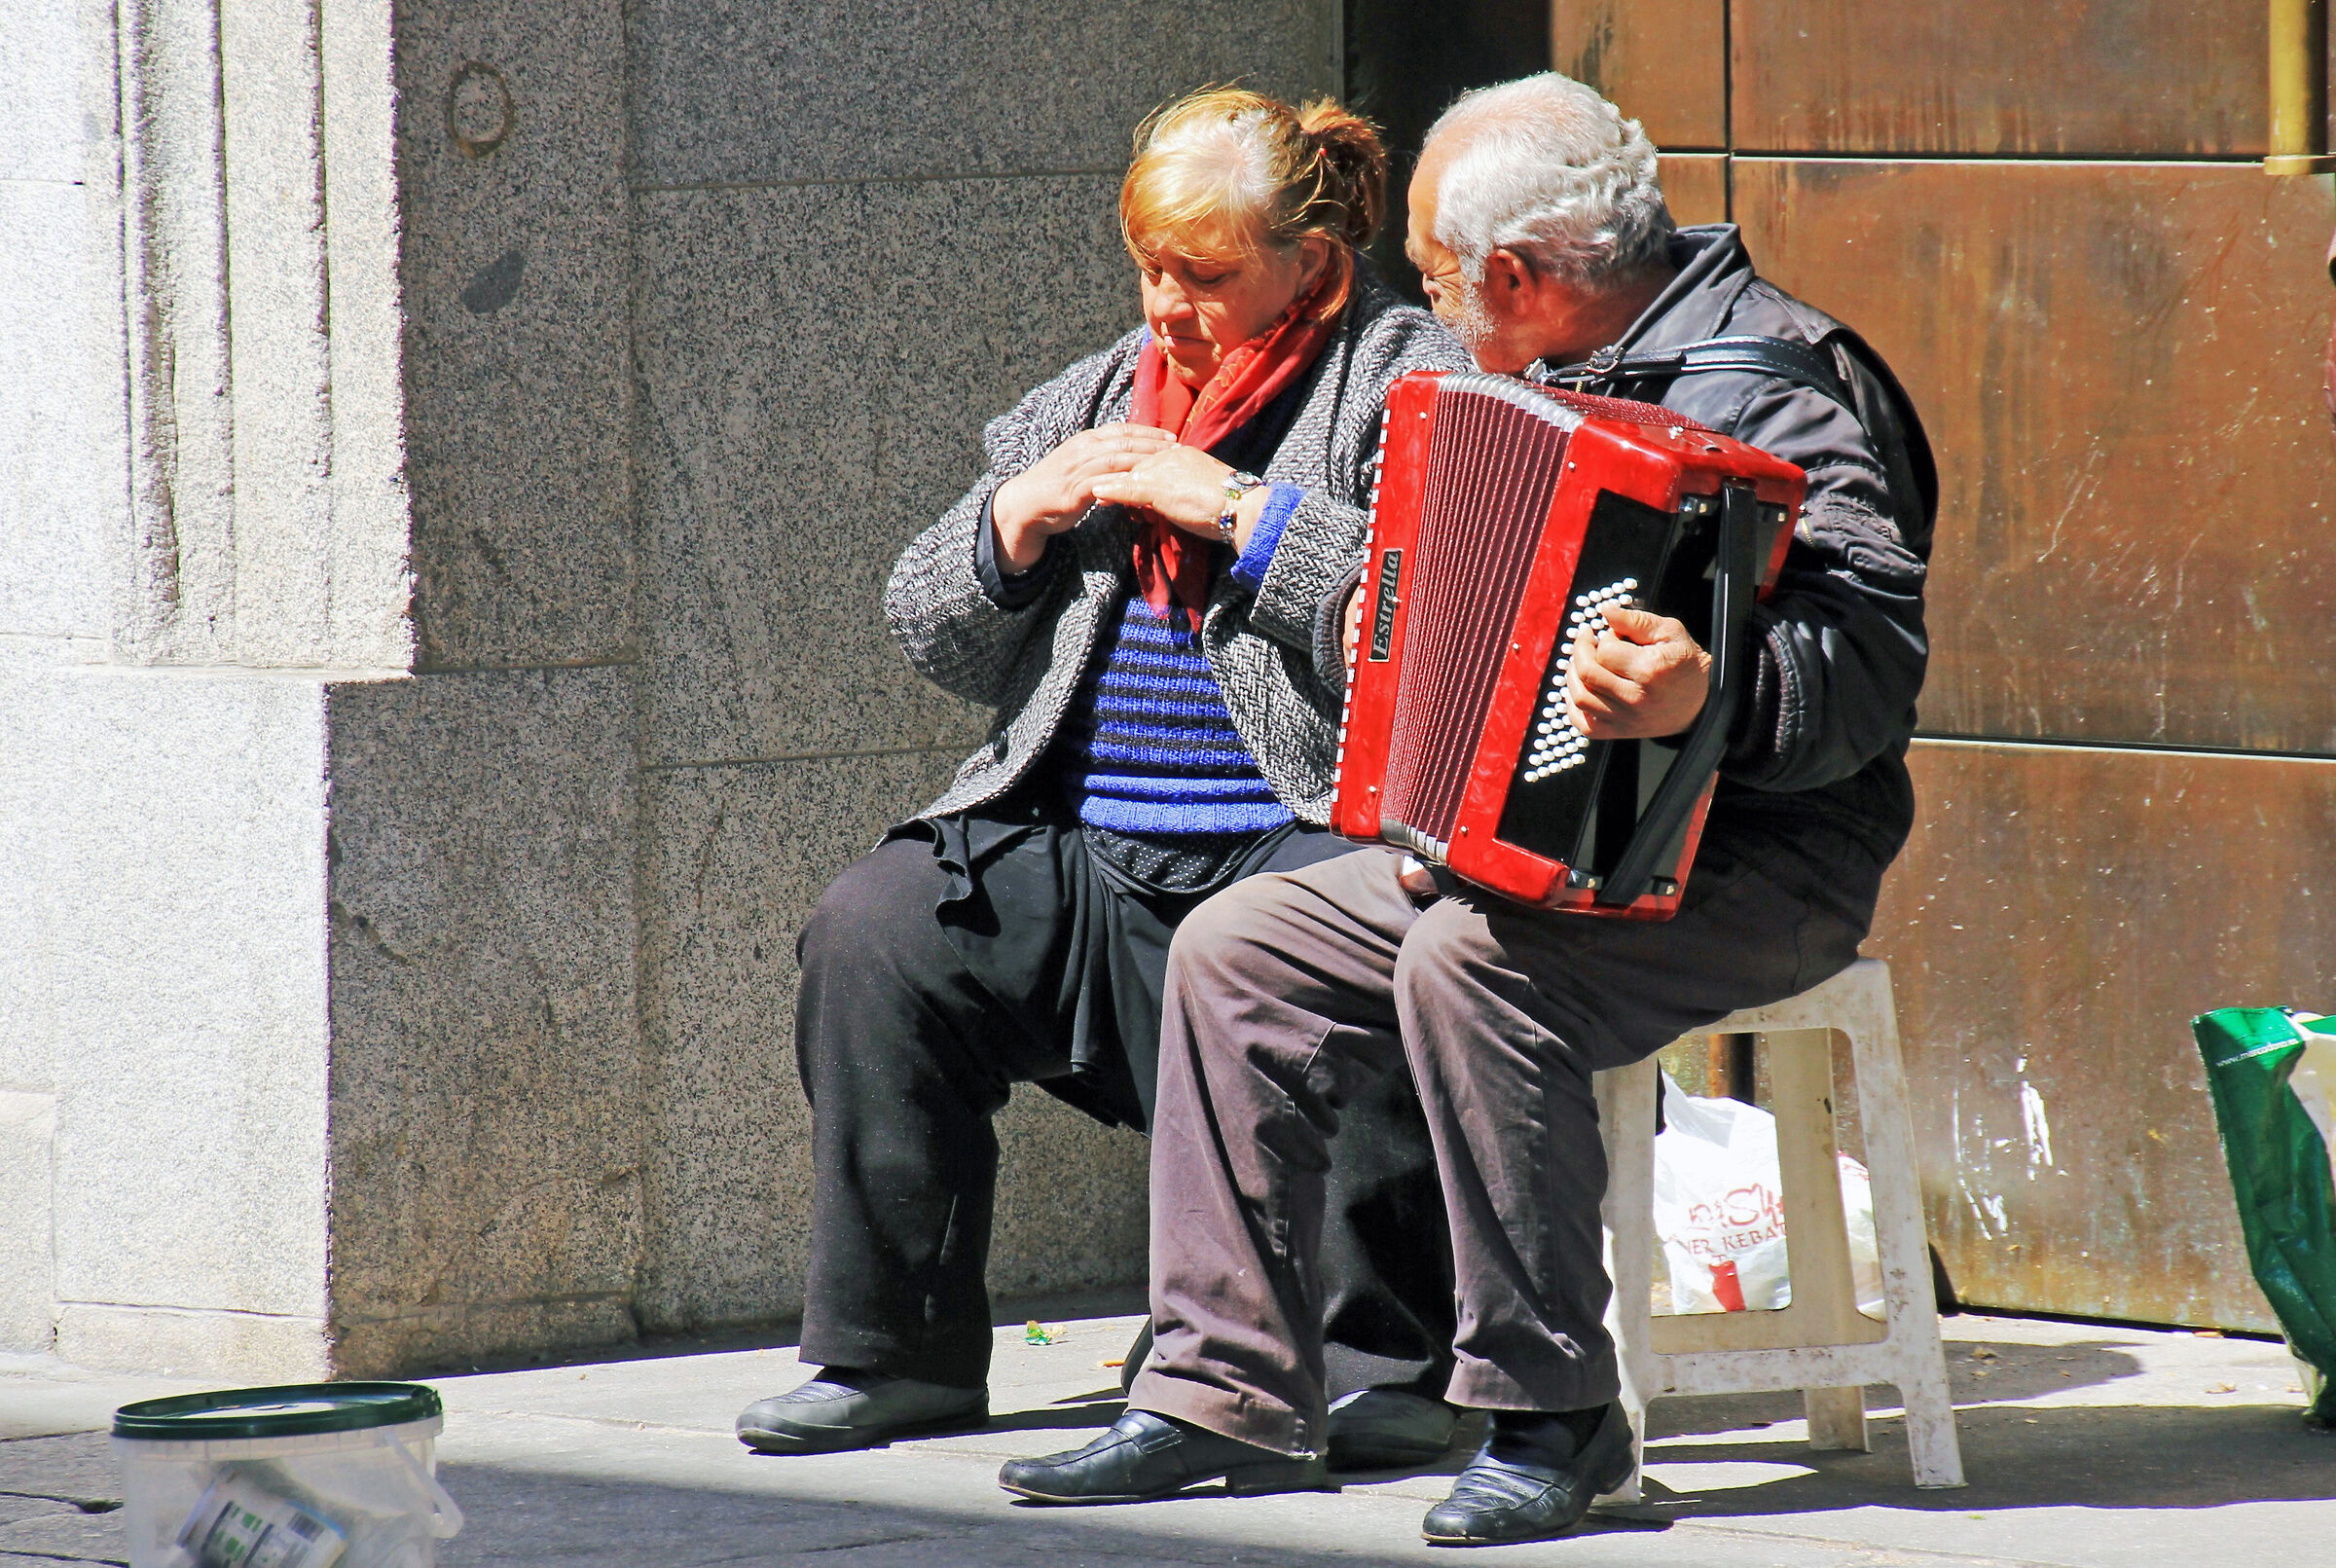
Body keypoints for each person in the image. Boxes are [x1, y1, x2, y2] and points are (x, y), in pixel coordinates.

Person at [998, 72, 1936, 1545]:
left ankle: (1554, 1416)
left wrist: (1715, 695)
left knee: (1471, 960)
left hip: (1765, 862)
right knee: (1240, 948)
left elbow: (1874, 670)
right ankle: (1216, 1392)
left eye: (1437, 276)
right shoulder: (1511, 380)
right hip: (1526, 853)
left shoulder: (1777, 385)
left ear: (1513, 276)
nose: (1427, 309)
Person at [733, 87, 1475, 1460]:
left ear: (1312, 267)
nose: (1166, 308)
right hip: (1088, 849)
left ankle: (1383, 1363)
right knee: (878, 931)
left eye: (1205, 276)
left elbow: (1443, 628)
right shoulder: (1094, 394)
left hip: (1298, 834)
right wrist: (1013, 525)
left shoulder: (1414, 389)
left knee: (1375, 923)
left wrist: (1243, 514)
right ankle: (896, 1351)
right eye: (1148, 269)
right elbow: (929, 630)